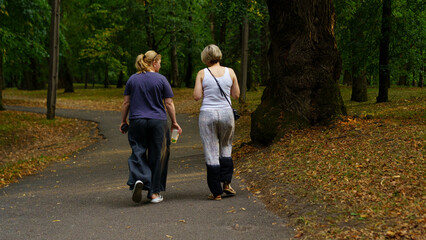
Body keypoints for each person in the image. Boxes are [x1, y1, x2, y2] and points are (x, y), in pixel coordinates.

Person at [120, 50, 182, 204]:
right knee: (158, 155)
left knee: (138, 151)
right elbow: (169, 103)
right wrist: (174, 121)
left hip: (137, 121)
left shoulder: (132, 79)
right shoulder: (161, 79)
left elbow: (126, 103)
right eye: (159, 63)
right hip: (157, 122)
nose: (160, 66)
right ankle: (153, 193)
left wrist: (123, 120)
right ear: (154, 63)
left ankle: (139, 179)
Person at [193, 44, 240, 200]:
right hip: (227, 113)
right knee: (226, 146)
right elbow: (236, 95)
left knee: (211, 149)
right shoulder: (230, 72)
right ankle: (227, 183)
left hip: (208, 114)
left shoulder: (202, 73)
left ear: (205, 58)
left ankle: (216, 192)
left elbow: (197, 96)